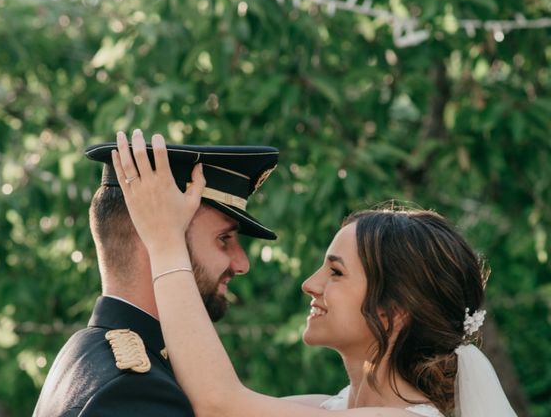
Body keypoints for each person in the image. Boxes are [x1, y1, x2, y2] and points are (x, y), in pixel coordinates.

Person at [111, 129, 519, 417]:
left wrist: (164, 241)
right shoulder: (328, 406)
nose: (310, 284)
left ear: (394, 311)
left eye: (336, 273)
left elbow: (219, 405)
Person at [32, 137, 279, 416]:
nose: (242, 263)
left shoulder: (85, 357)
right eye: (224, 238)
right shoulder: (133, 391)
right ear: (155, 235)